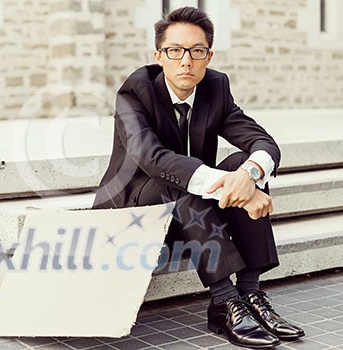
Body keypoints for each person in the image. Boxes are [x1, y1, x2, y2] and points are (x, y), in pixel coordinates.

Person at [93, 6, 305, 349]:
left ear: (209, 56)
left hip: (191, 211)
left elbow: (262, 142)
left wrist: (249, 175)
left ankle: (250, 294)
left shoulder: (216, 88)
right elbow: (151, 158)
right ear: (159, 56)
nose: (185, 61)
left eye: (196, 51)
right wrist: (240, 189)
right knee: (178, 177)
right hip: (132, 212)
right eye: (174, 51)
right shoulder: (135, 93)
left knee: (243, 163)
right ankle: (224, 300)